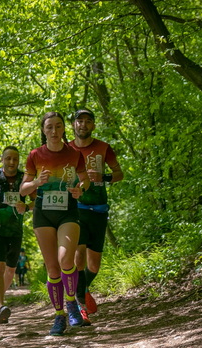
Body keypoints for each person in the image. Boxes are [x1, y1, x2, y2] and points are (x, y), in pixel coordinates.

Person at [19, 111, 90, 336]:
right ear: (43, 130)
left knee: (66, 259)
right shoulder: (35, 155)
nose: (54, 131)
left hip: (68, 211)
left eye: (58, 126)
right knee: (52, 268)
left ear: (64, 128)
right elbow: (23, 189)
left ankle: (71, 304)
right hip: (43, 213)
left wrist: (80, 189)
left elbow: (85, 179)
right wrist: (36, 182)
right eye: (49, 127)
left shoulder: (74, 153)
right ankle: (59, 315)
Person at [69, 108, 123, 326]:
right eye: (79, 121)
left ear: (93, 125)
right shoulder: (66, 150)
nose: (83, 124)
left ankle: (80, 289)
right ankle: (80, 306)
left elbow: (119, 174)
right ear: (73, 124)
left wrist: (104, 176)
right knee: (79, 257)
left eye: (88, 121)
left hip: (99, 209)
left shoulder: (103, 148)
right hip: (77, 208)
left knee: (94, 266)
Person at [0, 146, 35, 324]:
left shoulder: (25, 178)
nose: (12, 162)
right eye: (8, 158)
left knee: (11, 270)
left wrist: (26, 207)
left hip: (15, 230)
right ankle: (1, 305)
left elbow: (37, 200)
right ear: (2, 159)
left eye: (15, 159)